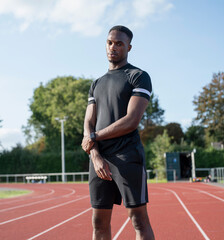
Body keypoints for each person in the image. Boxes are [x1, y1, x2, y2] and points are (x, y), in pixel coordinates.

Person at [81, 25, 155, 240]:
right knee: (98, 223)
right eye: (110, 42)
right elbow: (88, 121)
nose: (113, 47)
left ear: (129, 47)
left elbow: (131, 121)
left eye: (119, 43)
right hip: (99, 160)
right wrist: (95, 155)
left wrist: (93, 137)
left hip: (127, 155)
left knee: (138, 220)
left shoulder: (138, 76)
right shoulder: (97, 83)